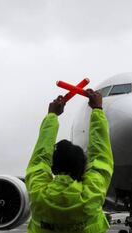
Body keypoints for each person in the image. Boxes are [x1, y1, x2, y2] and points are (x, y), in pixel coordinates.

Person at [25, 89, 114, 233]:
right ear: (84, 168)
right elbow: (101, 155)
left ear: (52, 168)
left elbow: (40, 157)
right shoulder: (92, 194)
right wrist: (97, 109)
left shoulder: (38, 193)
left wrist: (52, 115)